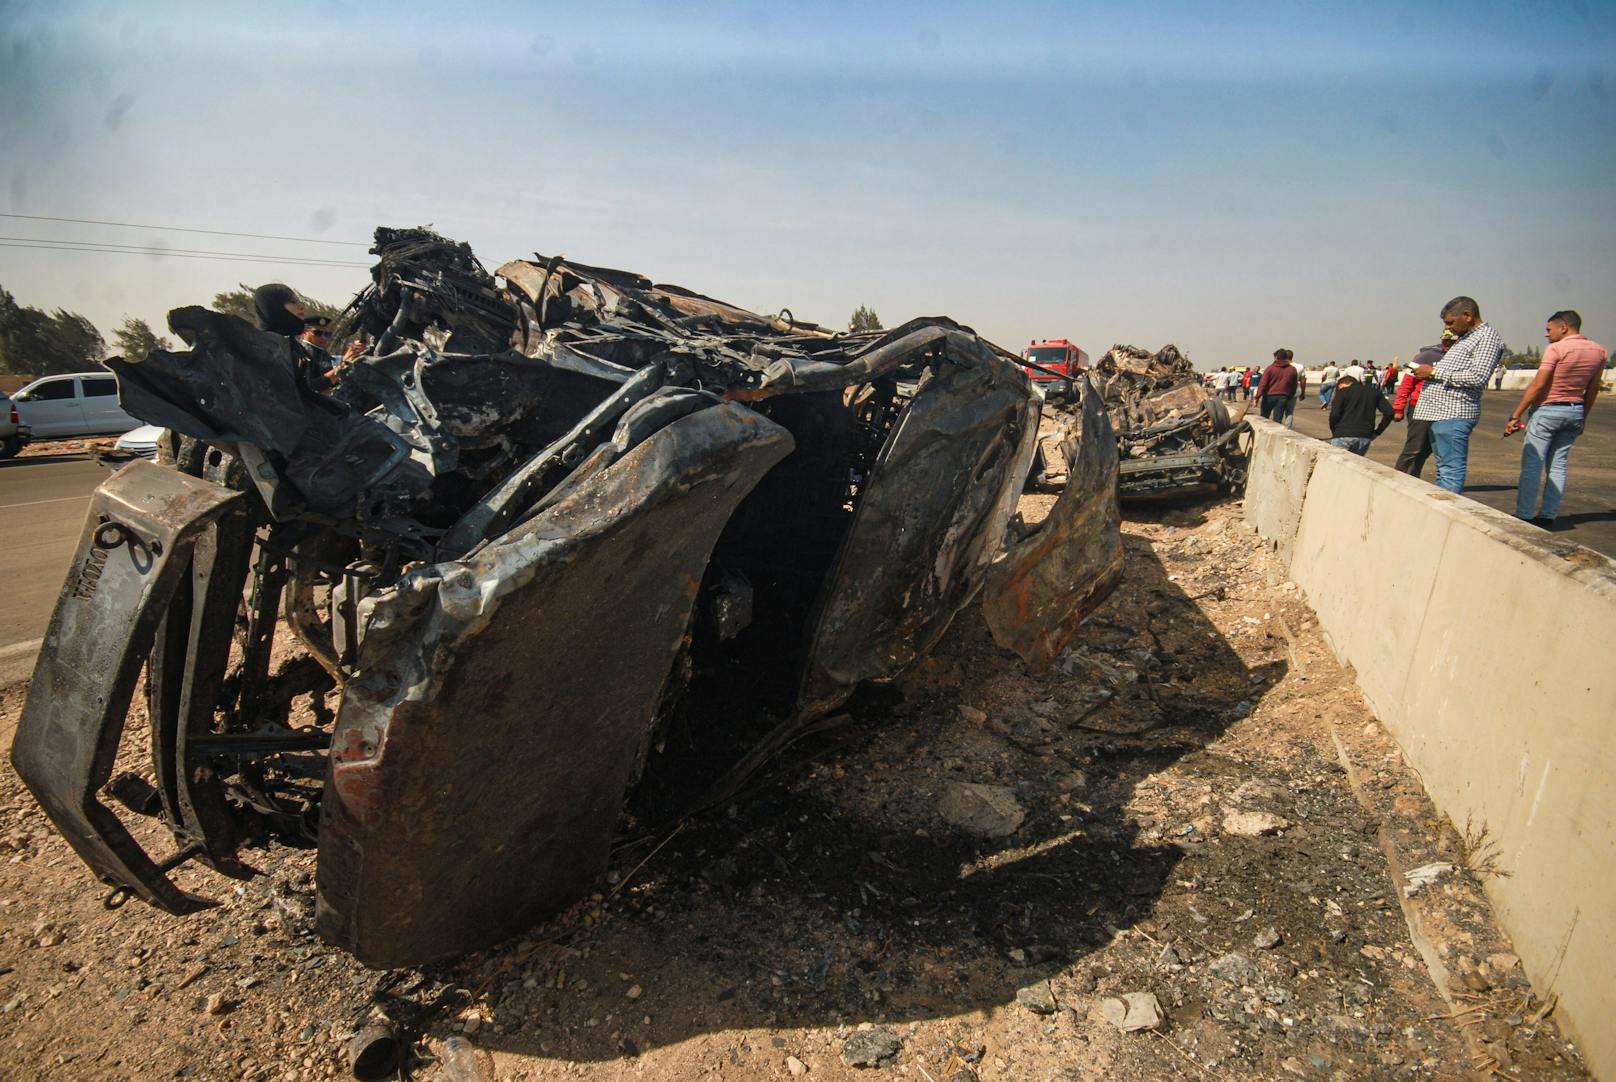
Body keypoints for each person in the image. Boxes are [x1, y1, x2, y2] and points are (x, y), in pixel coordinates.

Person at [1507, 310, 1606, 528]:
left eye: (1549, 329)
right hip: (1575, 410)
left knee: (1533, 465)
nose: (1546, 334)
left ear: (1564, 327)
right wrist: (1583, 416)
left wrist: (1516, 414)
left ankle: (1524, 513)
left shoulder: (1556, 349)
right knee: (1558, 465)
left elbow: (1539, 385)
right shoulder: (1599, 352)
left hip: (1547, 410)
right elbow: (1593, 389)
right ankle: (1548, 514)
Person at [1410, 296, 1505, 493]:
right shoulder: (1466, 339)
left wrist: (1434, 372)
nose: (1448, 328)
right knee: (1444, 470)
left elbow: (1478, 377)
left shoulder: (1486, 337)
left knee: (1450, 471)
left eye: (1450, 322)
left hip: (1454, 414)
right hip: (1440, 414)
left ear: (1468, 316)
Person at [1392, 330, 1455, 477]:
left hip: (1444, 409)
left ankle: (1413, 476)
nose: (1448, 344)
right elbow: (1407, 384)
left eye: (1451, 341)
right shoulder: (1426, 356)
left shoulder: (1459, 357)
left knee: (1427, 449)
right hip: (1419, 406)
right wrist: (1399, 408)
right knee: (1414, 447)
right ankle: (1398, 477)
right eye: (1445, 340)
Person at [1328, 365, 1393, 454]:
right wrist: (1377, 432)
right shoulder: (1374, 392)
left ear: (1344, 383)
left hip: (1342, 434)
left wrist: (1335, 431)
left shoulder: (1342, 392)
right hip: (1364, 436)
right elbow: (1389, 413)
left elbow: (1334, 414)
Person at [1256, 348, 1300, 427]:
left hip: (1269, 396)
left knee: (1264, 418)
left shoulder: (1270, 368)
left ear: (1276, 357)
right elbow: (1294, 385)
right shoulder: (1292, 370)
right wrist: (1290, 395)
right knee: (1277, 420)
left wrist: (1257, 397)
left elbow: (1263, 384)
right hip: (1283, 397)